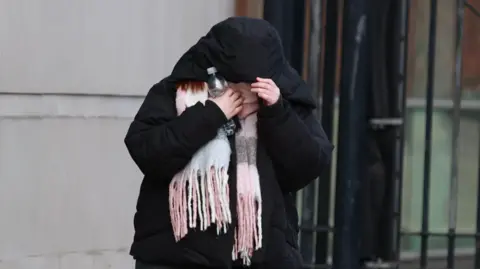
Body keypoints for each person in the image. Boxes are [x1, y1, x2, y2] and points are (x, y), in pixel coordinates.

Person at [124, 17, 333, 269]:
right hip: (176, 256)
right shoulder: (176, 92)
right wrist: (211, 114)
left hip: (262, 256)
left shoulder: (284, 100)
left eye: (254, 84)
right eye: (237, 83)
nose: (246, 92)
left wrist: (277, 113)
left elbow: (308, 166)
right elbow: (148, 151)